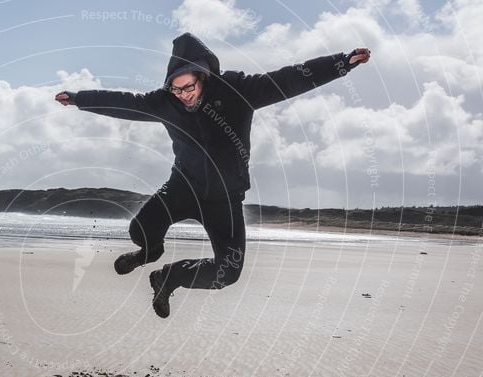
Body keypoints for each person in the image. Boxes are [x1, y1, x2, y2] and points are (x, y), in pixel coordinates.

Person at [56, 33, 371, 317]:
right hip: (183, 187)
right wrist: (80, 99)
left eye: (188, 87)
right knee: (140, 229)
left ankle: (169, 277)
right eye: (175, 89)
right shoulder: (165, 102)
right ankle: (150, 252)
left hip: (224, 198)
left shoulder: (238, 90)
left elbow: (287, 80)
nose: (183, 95)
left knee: (229, 271)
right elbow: (126, 103)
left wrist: (341, 63)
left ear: (203, 74)